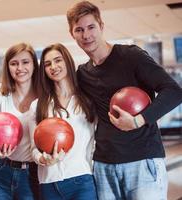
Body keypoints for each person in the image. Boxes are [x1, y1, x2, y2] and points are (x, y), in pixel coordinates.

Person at [66, 1, 182, 199]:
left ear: (101, 26)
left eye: (91, 27)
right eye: (79, 30)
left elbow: (174, 92)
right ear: (72, 34)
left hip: (142, 161)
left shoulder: (131, 56)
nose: (86, 35)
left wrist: (138, 120)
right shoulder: (83, 74)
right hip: (104, 166)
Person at [29, 43, 97, 200]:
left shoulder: (88, 100)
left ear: (67, 61)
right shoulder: (38, 106)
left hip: (82, 179)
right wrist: (43, 159)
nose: (53, 66)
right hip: (49, 182)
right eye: (47, 64)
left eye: (58, 60)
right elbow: (34, 148)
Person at [0, 43, 40, 200]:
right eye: (14, 63)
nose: (19, 68)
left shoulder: (44, 99)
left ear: (34, 65)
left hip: (33, 173)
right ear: (7, 67)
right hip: (1, 171)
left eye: (25, 62)